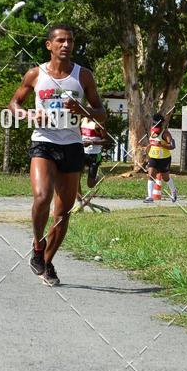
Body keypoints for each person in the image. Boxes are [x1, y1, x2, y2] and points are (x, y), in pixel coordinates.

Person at [9, 24, 106, 286]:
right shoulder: (35, 74)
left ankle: (47, 262)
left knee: (63, 213)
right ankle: (38, 245)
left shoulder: (82, 76)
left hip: (72, 145)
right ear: (49, 45)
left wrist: (82, 108)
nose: (66, 45)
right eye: (60, 40)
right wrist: (28, 114)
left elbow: (101, 111)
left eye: (70, 41)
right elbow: (13, 103)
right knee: (42, 196)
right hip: (44, 141)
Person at [74, 115, 109, 212]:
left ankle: (99, 177)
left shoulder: (98, 124)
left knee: (90, 184)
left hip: (94, 155)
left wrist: (92, 142)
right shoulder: (82, 120)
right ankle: (79, 204)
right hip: (82, 153)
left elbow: (106, 140)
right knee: (76, 178)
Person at [144, 113, 177, 203]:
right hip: (153, 157)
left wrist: (161, 144)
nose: (155, 131)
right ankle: (150, 197)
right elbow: (151, 143)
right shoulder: (151, 131)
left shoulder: (165, 133)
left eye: (157, 129)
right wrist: (146, 150)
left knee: (165, 178)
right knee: (150, 175)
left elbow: (172, 146)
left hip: (164, 159)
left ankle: (173, 191)